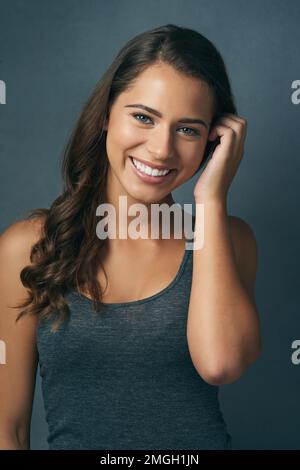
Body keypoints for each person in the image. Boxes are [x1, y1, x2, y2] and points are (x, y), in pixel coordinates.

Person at [0, 24, 261, 450]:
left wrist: (211, 199)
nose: (161, 149)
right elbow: (6, 431)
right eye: (143, 117)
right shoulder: (26, 248)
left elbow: (221, 364)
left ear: (213, 142)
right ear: (105, 115)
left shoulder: (230, 240)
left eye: (188, 129)